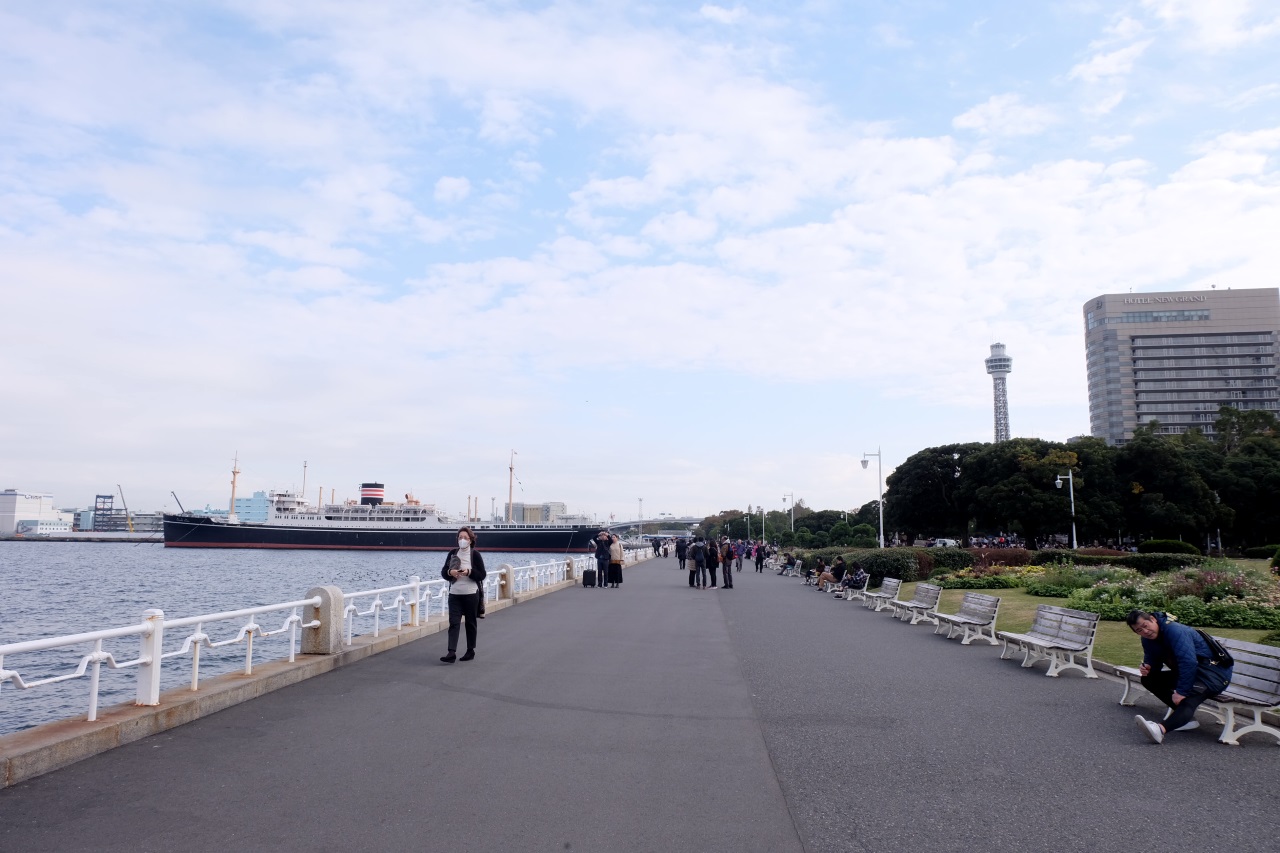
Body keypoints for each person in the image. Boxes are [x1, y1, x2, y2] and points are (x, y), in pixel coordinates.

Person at [1127, 609, 1233, 744]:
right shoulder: (1148, 639)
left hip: (1213, 675)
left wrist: (1181, 692)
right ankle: (1185, 719)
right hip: (1193, 671)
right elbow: (1153, 661)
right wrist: (1148, 667)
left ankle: (1160, 730)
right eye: (1139, 630)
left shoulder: (1175, 630)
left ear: (1153, 619)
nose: (1145, 632)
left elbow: (1188, 662)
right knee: (1150, 679)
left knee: (1189, 699)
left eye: (1145, 626)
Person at [440, 527, 486, 663]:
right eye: (460, 537)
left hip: (471, 594)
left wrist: (469, 572)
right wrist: (450, 573)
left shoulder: (475, 555)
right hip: (454, 594)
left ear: (471, 540)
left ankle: (470, 650)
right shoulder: (453, 553)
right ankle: (451, 652)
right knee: (454, 623)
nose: (462, 540)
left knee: (470, 623)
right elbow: (443, 571)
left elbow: (482, 574)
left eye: (465, 538)